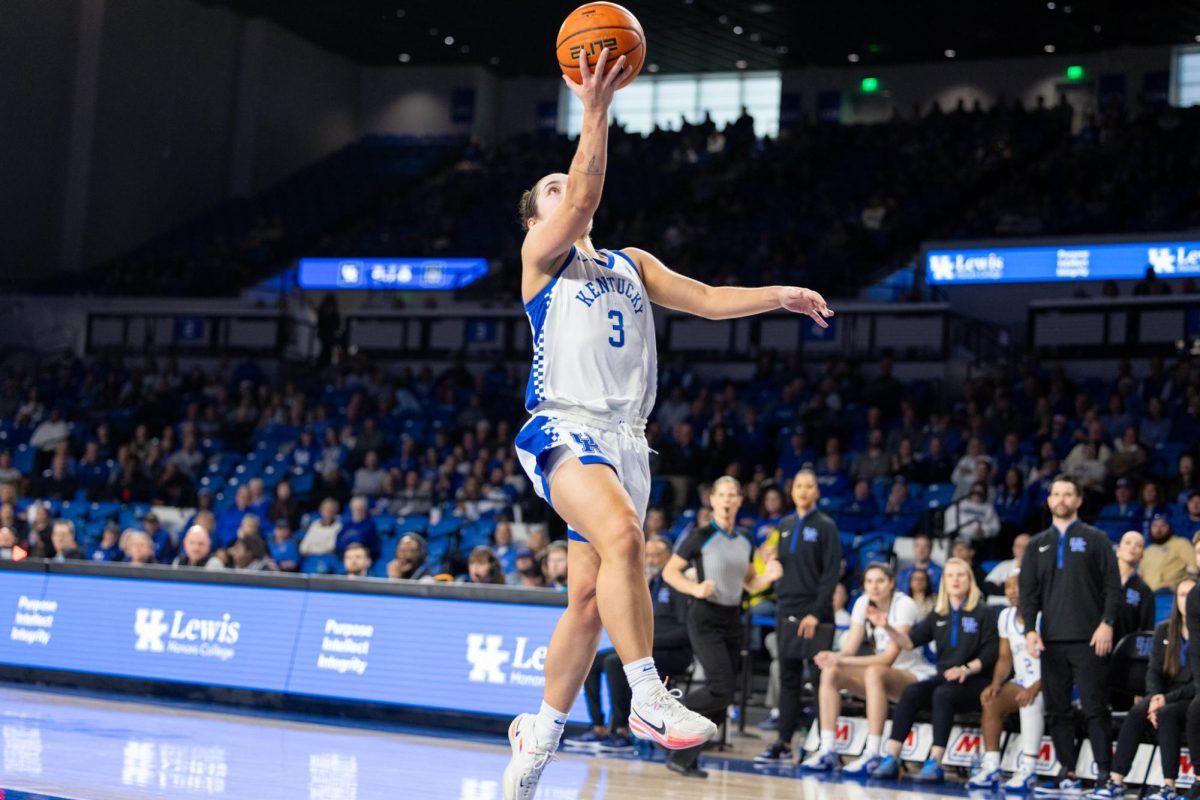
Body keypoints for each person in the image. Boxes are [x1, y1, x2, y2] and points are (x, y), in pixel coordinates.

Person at [502, 45, 833, 799]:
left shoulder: (631, 264)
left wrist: (778, 294)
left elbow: (711, 299)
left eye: (568, 182)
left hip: (628, 441)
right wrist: (594, 108)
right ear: (537, 218)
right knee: (624, 539)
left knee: (587, 598)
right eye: (553, 188)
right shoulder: (541, 259)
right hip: (563, 424)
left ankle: (540, 733)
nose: (568, 190)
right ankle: (649, 696)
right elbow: (582, 201)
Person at [661, 476, 780, 778]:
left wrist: (769, 577)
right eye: (722, 494)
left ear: (740, 501)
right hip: (704, 617)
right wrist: (694, 588)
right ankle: (667, 716)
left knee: (724, 695)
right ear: (712, 500)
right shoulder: (699, 536)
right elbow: (669, 571)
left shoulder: (745, 538)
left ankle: (683, 758)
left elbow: (749, 583)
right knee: (719, 687)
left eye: (733, 495)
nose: (727, 500)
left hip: (732, 618)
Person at [1020, 476, 1122, 798]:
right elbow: (1028, 593)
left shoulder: (1096, 538)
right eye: (1056, 494)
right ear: (1049, 500)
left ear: (1078, 500)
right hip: (1051, 639)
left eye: (1068, 494)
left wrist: (1107, 623)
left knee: (1095, 707)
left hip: (1090, 638)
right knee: (1058, 709)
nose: (1061, 499)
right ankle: (1069, 772)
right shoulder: (1036, 544)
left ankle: (1106, 776)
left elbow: (1112, 587)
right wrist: (1030, 630)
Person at [793, 562, 934, 775]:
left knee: (874, 671)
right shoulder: (862, 603)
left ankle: (873, 752)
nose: (874, 586)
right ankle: (828, 749)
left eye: (880, 581)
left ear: (892, 583)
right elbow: (849, 649)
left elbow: (887, 659)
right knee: (831, 672)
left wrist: (841, 661)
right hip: (877, 678)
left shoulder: (904, 605)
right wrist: (833, 657)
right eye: (869, 581)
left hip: (912, 676)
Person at [868, 558, 998, 782]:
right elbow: (909, 642)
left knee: (943, 694)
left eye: (960, 575)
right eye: (950, 576)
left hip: (976, 679)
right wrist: (887, 626)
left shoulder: (983, 612)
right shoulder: (939, 614)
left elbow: (990, 654)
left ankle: (935, 761)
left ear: (970, 579)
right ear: (944, 582)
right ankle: (891, 757)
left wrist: (966, 669)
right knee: (911, 692)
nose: (955, 580)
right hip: (945, 678)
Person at [564, 535, 692, 755]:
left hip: (673, 652)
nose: (650, 559)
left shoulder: (677, 584)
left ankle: (622, 731)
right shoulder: (646, 582)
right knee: (593, 661)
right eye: (647, 554)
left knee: (615, 663)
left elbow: (687, 631)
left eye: (656, 555)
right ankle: (599, 727)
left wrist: (646, 641)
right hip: (645, 648)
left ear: (670, 557)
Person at [754, 469, 842, 765]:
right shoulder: (786, 523)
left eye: (809, 487)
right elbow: (779, 566)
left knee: (819, 679)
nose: (803, 491)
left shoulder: (826, 526)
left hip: (814, 613)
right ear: (793, 492)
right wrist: (770, 560)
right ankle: (783, 741)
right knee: (788, 677)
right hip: (786, 609)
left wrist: (815, 613)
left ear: (817, 492)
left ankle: (821, 741)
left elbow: (831, 575)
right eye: (799, 486)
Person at [1103, 579, 1195, 800]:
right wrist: (1154, 697)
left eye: (1192, 595)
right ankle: (1116, 780)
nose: (1188, 600)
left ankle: (1168, 786)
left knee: (1167, 713)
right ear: (1176, 601)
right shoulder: (1164, 629)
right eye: (1182, 595)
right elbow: (1153, 671)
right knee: (1137, 712)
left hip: (1191, 695)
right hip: (1164, 693)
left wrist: (1164, 700)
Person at [966, 573, 1043, 792]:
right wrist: (996, 683)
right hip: (1022, 680)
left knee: (1028, 699)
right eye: (1008, 587)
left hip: (1049, 682)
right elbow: (1004, 658)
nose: (1012, 591)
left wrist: (1035, 686)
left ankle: (1029, 768)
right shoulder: (1005, 617)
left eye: (1017, 586)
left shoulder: (1043, 617)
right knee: (991, 700)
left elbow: (1057, 662)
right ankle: (991, 765)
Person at [1113, 530, 1155, 645]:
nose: (1132, 547)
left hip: (1124, 653)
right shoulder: (1099, 580)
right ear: (1118, 550)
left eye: (1138, 545)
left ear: (1142, 554)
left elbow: (1146, 630)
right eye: (1128, 543)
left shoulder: (1144, 591)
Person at [1142, 515, 1193, 591]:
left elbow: (1194, 568)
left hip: (1170, 593)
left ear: (1170, 527)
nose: (1158, 530)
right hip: (1149, 594)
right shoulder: (1147, 550)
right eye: (1155, 526)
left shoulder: (1181, 543)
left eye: (1163, 526)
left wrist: (1180, 583)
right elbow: (1141, 574)